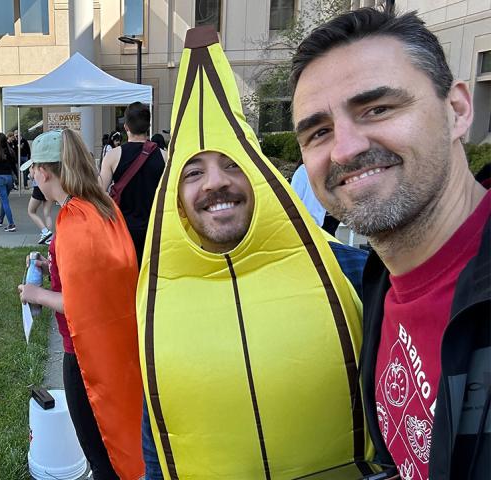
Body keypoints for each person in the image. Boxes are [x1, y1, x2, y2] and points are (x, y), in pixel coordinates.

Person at [139, 26, 371, 479]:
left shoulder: (346, 271)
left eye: (232, 165)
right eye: (193, 173)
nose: (215, 183)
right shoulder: (154, 300)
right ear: (175, 200)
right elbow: (158, 432)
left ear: (259, 176)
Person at [291, 7, 490, 479]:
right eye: (319, 132)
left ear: (457, 110)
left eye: (377, 109)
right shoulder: (381, 281)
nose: (344, 149)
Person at [17, 128, 145, 480]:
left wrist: (35, 294)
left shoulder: (72, 220)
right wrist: (51, 265)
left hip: (86, 356)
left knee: (100, 456)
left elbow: (79, 303)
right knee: (123, 440)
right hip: (119, 348)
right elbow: (96, 278)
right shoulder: (102, 208)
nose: (32, 177)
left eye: (33, 171)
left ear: (45, 172)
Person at [99, 103, 165, 265]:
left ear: (126, 126)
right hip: (155, 229)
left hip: (123, 229)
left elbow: (99, 193)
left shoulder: (113, 156)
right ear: (148, 126)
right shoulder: (164, 156)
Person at [25, 138, 55, 243]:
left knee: (31, 211)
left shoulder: (35, 162)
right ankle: (49, 237)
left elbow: (32, 176)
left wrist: (29, 174)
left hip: (38, 188)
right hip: (49, 186)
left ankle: (45, 232)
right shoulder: (50, 160)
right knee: (47, 213)